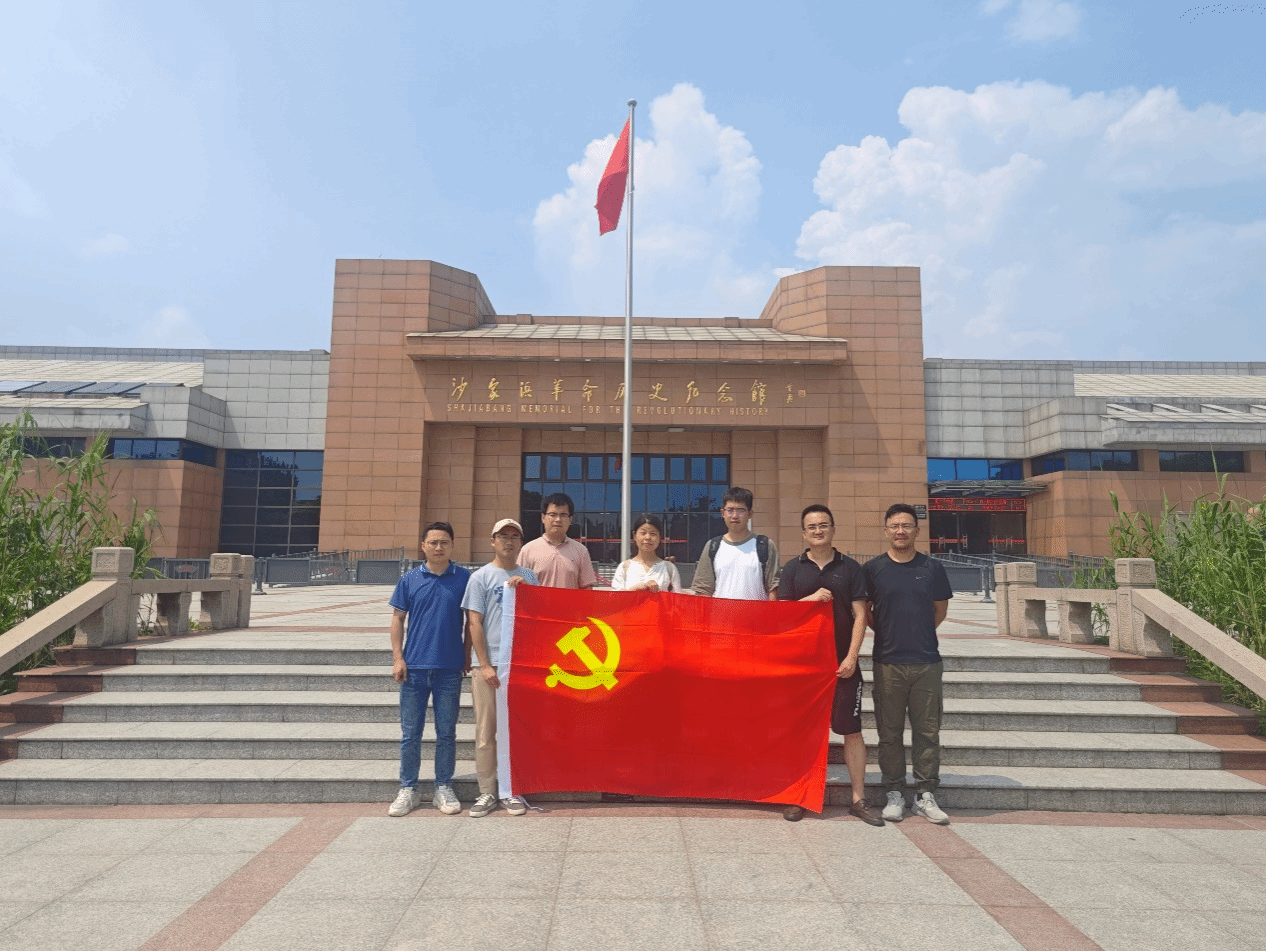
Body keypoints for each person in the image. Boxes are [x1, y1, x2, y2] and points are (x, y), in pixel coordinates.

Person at [777, 504, 884, 826]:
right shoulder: (792, 569)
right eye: (812, 527)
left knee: (851, 730)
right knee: (802, 733)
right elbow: (782, 614)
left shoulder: (850, 568)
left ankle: (858, 799)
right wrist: (809, 600)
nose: (818, 531)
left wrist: (852, 657)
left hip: (841, 665)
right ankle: (798, 795)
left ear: (833, 529)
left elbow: (860, 615)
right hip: (803, 667)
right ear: (804, 533)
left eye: (823, 525)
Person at [864, 503, 953, 825]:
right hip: (888, 662)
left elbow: (939, 609)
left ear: (916, 530)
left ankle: (925, 794)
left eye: (906, 526)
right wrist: (890, 632)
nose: (900, 531)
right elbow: (867, 612)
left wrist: (919, 633)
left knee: (927, 732)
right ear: (886, 531)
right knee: (889, 733)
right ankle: (894, 792)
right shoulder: (873, 569)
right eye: (894, 526)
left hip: (926, 661)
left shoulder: (933, 567)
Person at [387, 521, 471, 817]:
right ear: (423, 546)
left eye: (444, 542)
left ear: (452, 545)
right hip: (414, 668)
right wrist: (398, 658)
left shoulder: (464, 578)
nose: (438, 547)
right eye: (433, 542)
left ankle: (443, 787)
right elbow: (397, 619)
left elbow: (472, 622)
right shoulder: (409, 579)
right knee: (411, 733)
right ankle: (408, 789)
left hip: (449, 668)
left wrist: (467, 655)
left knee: (446, 732)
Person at [461, 518, 537, 818]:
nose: (508, 541)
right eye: (502, 536)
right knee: (486, 731)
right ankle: (487, 791)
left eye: (514, 536)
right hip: (489, 666)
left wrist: (526, 591)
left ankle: (512, 789)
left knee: (515, 731)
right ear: (493, 541)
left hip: (518, 664)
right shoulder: (480, 578)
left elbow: (538, 616)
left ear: (521, 543)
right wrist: (484, 664)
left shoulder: (529, 575)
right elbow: (474, 622)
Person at [690, 486, 779, 600]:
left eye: (741, 511)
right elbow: (704, 590)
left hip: (756, 611)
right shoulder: (713, 546)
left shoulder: (765, 545)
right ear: (723, 513)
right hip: (720, 611)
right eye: (730, 510)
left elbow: (773, 588)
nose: (735, 516)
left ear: (750, 514)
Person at [518, 492, 599, 589]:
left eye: (563, 515)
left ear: (570, 519)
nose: (558, 519)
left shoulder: (581, 551)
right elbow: (519, 586)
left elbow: (587, 588)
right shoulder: (527, 551)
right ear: (543, 518)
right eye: (553, 514)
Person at [610, 514, 684, 593]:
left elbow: (676, 598)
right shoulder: (624, 567)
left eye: (653, 534)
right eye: (643, 533)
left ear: (660, 537)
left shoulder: (669, 568)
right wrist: (637, 589)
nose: (648, 537)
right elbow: (616, 598)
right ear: (634, 536)